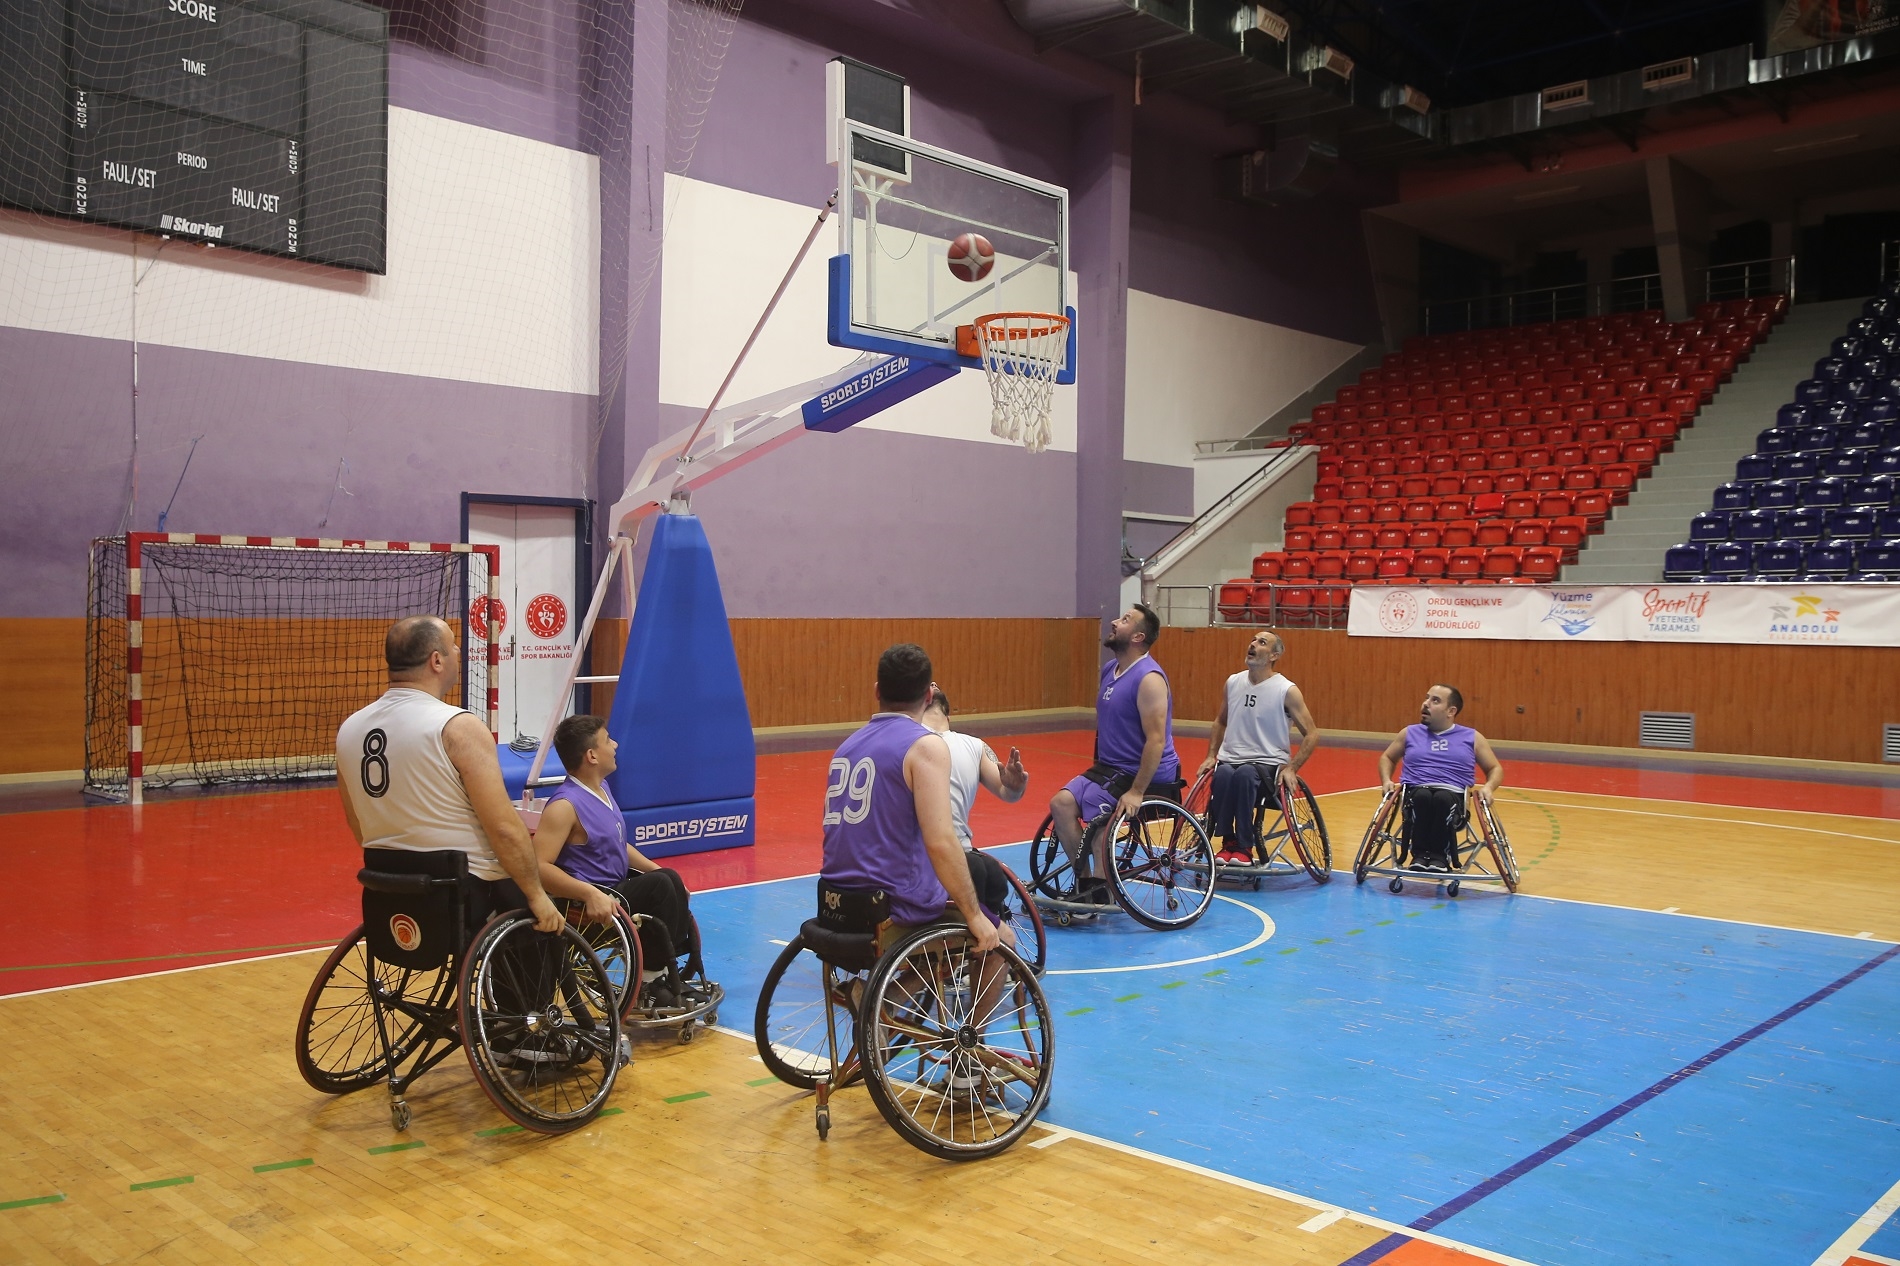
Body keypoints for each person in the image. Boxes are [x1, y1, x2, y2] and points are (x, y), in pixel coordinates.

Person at [335, 615, 564, 935]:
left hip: (385, 886)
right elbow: (503, 828)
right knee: (545, 908)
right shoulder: (457, 726)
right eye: (454, 646)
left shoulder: (349, 730)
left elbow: (357, 823)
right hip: (462, 891)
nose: (459, 651)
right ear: (437, 661)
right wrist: (537, 894)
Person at [820, 644, 1004, 955]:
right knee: (1001, 943)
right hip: (889, 905)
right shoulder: (925, 746)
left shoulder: (847, 746)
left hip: (833, 897)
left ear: (877, 691)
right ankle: (884, 996)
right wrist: (975, 916)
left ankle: (877, 997)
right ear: (929, 697)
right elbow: (941, 841)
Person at [533, 714, 709, 1009]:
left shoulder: (602, 790)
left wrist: (658, 869)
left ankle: (662, 974)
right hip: (590, 903)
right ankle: (651, 980)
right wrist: (589, 893)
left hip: (617, 889)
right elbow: (539, 867)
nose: (614, 745)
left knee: (667, 877)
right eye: (607, 740)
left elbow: (618, 844)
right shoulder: (564, 806)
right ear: (591, 755)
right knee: (660, 887)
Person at [1048, 602, 1182, 904]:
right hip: (1110, 768)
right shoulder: (1111, 669)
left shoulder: (1149, 680)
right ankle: (1086, 883)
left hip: (1145, 772)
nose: (1113, 622)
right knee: (1061, 803)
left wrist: (1136, 792)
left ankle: (1101, 892)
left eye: (1124, 620)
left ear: (1138, 637)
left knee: (1098, 825)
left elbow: (1156, 741)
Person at [1196, 631, 1321, 867]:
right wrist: (1211, 755)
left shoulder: (1286, 690)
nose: (1252, 644)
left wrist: (1292, 768)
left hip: (1267, 765)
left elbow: (1312, 734)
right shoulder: (1233, 682)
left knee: (1244, 774)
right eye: (1252, 640)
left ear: (1274, 655)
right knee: (1222, 774)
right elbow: (1220, 721)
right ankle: (1228, 841)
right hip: (1230, 759)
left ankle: (1245, 846)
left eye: (1262, 642)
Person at [921, 686, 1028, 920]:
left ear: (949, 714)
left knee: (990, 876)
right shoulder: (910, 737)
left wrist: (1014, 786)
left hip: (961, 851)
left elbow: (1007, 793)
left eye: (936, 684)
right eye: (928, 683)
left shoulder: (974, 745)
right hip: (924, 853)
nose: (934, 683)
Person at [1376, 684, 1504, 871]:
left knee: (1442, 799)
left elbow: (1495, 768)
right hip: (1415, 792)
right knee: (1423, 797)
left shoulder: (1472, 737)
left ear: (1451, 711)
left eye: (1435, 701)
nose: (1426, 704)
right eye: (1427, 698)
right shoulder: (1409, 733)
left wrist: (1488, 787)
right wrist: (1386, 780)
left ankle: (1438, 856)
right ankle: (1419, 855)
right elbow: (1387, 757)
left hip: (1453, 795)